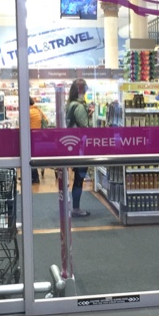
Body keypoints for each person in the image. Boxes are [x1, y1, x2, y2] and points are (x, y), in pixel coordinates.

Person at [66, 79, 90, 217]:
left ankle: (75, 206)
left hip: (72, 145)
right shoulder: (79, 106)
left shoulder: (70, 104)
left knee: (77, 177)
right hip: (80, 146)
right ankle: (76, 208)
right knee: (79, 177)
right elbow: (84, 127)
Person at [29, 97, 48, 183]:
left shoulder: (27, 112)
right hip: (38, 136)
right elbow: (46, 121)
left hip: (30, 136)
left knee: (29, 156)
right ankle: (34, 176)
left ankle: (34, 177)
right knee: (33, 156)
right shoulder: (38, 110)